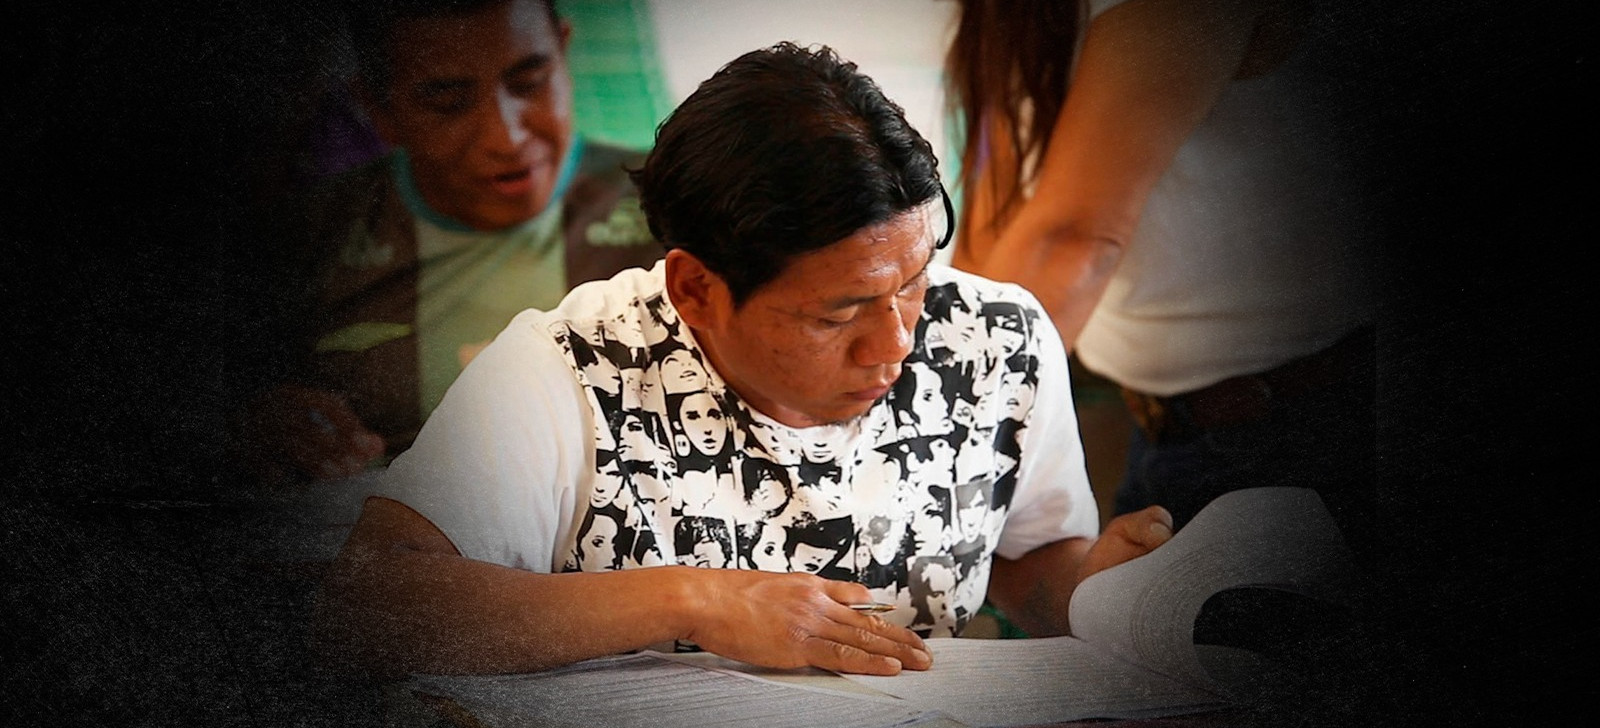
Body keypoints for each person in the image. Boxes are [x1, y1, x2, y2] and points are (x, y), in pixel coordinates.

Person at [313, 42, 1173, 679]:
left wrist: (1093, 589)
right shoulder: (570, 368)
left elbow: (1026, 561)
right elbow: (367, 607)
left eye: (913, 281)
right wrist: (697, 599)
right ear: (695, 290)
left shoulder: (995, 338)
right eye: (837, 313)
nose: (897, 342)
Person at [944, 0, 1378, 530]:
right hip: (1165, 428)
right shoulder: (1013, 19)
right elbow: (985, 258)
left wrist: (938, 440)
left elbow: (1074, 241)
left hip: (1299, 427)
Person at [237, 0, 665, 485]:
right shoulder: (294, 241)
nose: (506, 137)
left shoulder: (680, 205)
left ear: (564, 53)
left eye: (530, 82)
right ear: (380, 111)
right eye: (448, 103)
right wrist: (252, 427)